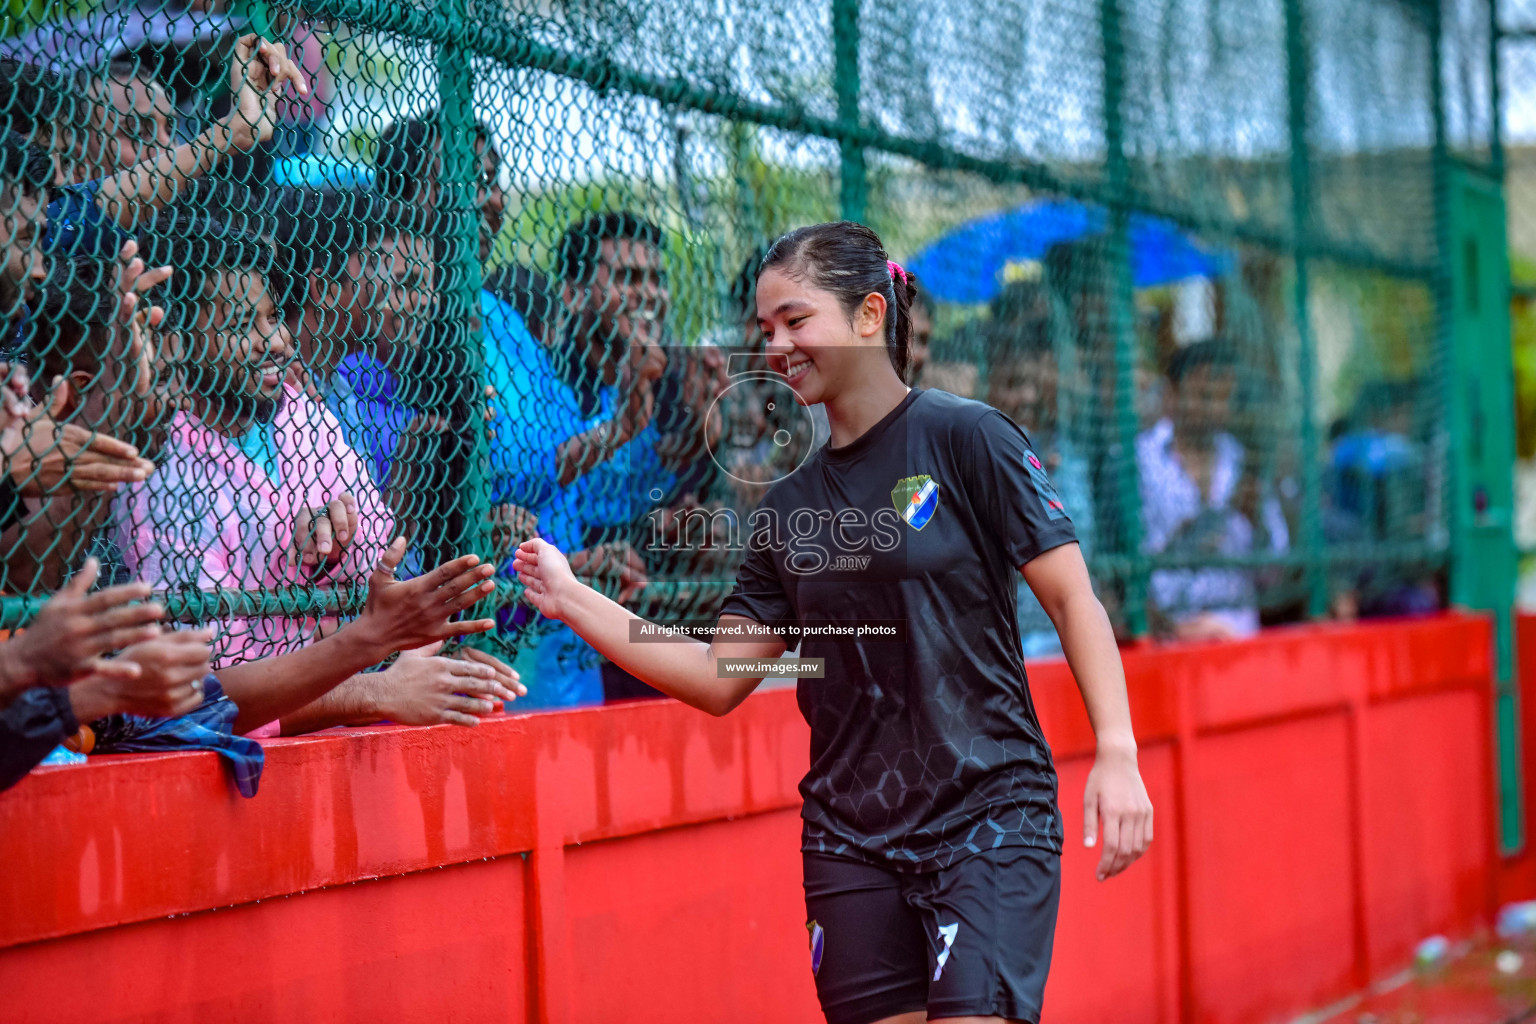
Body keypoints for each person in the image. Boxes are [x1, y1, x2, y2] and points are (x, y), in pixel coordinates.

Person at [514, 221, 1152, 1024]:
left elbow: (1072, 600)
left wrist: (1118, 754)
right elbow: (720, 677)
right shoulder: (788, 511)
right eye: (765, 329)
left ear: (870, 316)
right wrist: (575, 597)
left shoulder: (967, 438)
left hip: (989, 815)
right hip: (851, 839)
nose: (776, 345)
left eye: (796, 319)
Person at [115, 214, 521, 735]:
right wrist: (376, 686)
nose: (277, 341)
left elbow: (383, 564)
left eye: (275, 317)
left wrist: (339, 558)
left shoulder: (298, 410)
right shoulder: (161, 474)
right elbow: (215, 691)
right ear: (175, 340)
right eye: (242, 324)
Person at [484, 212, 676, 708]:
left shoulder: (644, 390)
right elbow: (520, 489)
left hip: (584, 665)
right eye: (629, 278)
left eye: (657, 279)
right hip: (518, 659)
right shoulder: (546, 389)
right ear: (570, 293)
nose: (649, 294)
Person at [1136, 339, 1290, 641]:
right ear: (1172, 395)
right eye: (1203, 396)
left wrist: (1256, 522)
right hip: (1168, 638)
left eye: (1224, 399)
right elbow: (1123, 569)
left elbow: (1274, 573)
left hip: (1238, 636)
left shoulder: (1241, 462)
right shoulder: (1139, 461)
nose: (1214, 410)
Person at [985, 316, 1097, 659]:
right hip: (1008, 648)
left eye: (1034, 384)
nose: (1027, 397)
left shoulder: (1070, 454)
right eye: (1014, 383)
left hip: (1070, 641)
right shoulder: (975, 455)